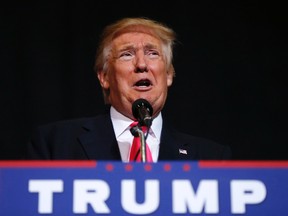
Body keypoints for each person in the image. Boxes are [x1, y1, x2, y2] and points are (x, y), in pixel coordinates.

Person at [26, 17, 231, 161]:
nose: (141, 64)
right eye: (127, 54)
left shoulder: (211, 158)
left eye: (152, 53)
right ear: (104, 77)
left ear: (168, 74)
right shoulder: (55, 144)